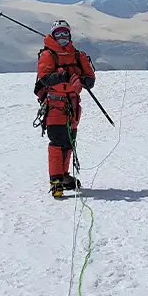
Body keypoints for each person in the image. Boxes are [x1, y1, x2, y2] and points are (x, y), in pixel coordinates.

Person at [33, 20, 96, 195]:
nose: (62, 37)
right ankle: (55, 180)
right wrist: (66, 76)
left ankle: (63, 175)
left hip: (74, 106)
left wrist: (80, 80)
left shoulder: (78, 56)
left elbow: (90, 80)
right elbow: (44, 78)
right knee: (57, 141)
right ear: (53, 35)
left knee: (69, 141)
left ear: (70, 35)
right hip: (54, 105)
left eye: (65, 34)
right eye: (58, 34)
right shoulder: (48, 55)